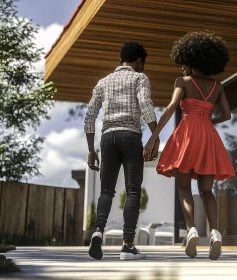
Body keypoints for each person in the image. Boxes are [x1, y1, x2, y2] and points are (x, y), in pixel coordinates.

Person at [144, 31, 235, 260]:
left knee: (184, 188)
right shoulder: (218, 86)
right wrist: (208, 121)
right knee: (207, 190)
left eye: (184, 62)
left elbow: (171, 107)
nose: (182, 67)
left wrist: (154, 136)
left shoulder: (182, 82)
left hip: (186, 135)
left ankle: (191, 230)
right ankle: (215, 234)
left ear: (192, 60)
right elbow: (227, 115)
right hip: (208, 135)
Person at [84, 42, 160, 260]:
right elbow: (145, 105)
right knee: (133, 191)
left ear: (120, 60)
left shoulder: (103, 82)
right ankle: (127, 246)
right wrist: (155, 136)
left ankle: (98, 230)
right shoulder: (139, 78)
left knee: (106, 191)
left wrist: (91, 150)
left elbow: (90, 116)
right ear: (138, 61)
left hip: (107, 139)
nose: (143, 68)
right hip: (130, 137)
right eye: (143, 64)